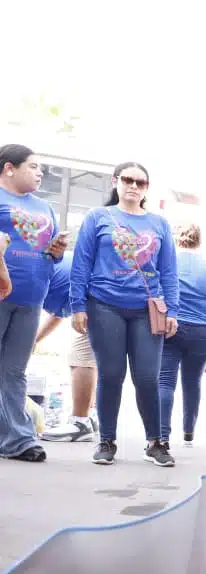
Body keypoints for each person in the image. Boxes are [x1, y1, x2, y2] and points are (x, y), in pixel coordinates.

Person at [70, 161, 180, 467]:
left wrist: (172, 309)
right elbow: (81, 264)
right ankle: (106, 440)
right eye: (128, 180)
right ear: (115, 181)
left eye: (141, 182)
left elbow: (169, 271)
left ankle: (155, 442)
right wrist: (77, 305)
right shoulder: (98, 217)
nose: (134, 186)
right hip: (104, 305)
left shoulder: (159, 224)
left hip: (147, 309)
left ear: (146, 188)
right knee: (111, 374)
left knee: (147, 377)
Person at [0, 144, 67, 463]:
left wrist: (56, 250)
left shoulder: (44, 207)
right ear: (9, 168)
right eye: (33, 166)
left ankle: (19, 440)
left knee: (14, 371)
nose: (40, 173)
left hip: (31, 299)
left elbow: (49, 257)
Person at [158, 223, 206, 447]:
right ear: (199, 241)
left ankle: (162, 436)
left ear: (176, 239)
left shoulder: (166, 263)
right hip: (203, 332)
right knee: (193, 382)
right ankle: (188, 433)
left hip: (171, 327)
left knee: (165, 381)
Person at [35, 249, 100, 443]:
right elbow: (59, 314)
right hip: (99, 292)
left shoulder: (32, 277)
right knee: (86, 357)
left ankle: (80, 423)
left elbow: (27, 312)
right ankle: (88, 416)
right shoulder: (47, 267)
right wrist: (34, 341)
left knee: (80, 358)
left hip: (96, 296)